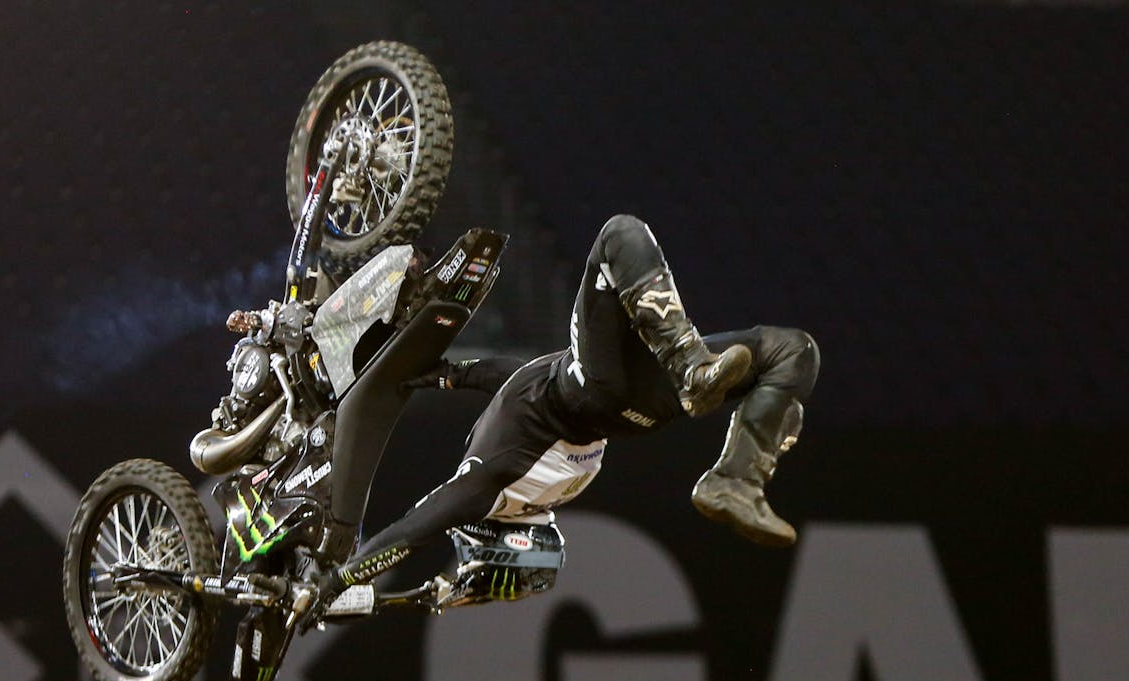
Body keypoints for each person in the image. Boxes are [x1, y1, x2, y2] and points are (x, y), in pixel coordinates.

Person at [309, 213, 820, 618]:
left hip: (628, 411)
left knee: (792, 351)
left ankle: (733, 481)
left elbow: (520, 378)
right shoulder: (491, 479)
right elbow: (416, 527)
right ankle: (698, 386)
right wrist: (340, 579)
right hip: (594, 391)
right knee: (618, 235)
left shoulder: (531, 485)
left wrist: (452, 376)